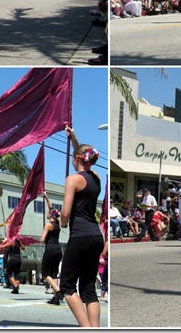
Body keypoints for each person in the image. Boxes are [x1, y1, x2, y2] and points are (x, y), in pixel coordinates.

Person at [58, 126, 104, 328]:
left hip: (79, 236)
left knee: (67, 286)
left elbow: (66, 212)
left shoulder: (73, 179)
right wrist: (74, 138)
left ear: (76, 158)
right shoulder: (96, 178)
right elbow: (83, 160)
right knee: (88, 289)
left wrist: (63, 222)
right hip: (95, 236)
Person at [40, 192, 64, 305]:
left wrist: (38, 240)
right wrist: (47, 197)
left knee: (44, 272)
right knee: (54, 273)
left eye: (48, 213)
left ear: (50, 215)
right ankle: (55, 298)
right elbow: (52, 208)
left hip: (50, 249)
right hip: (58, 249)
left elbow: (43, 239)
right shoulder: (58, 223)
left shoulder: (48, 225)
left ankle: (58, 291)